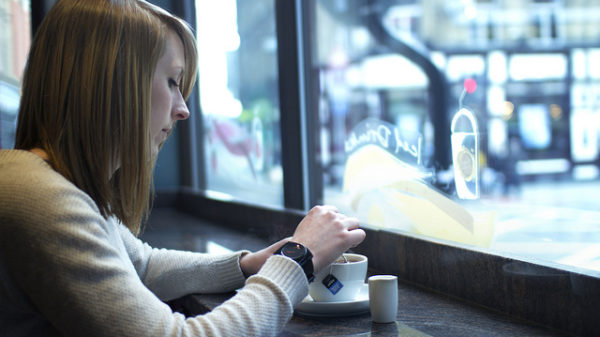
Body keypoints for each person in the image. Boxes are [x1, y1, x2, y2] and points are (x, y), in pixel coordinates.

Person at [0, 0, 366, 336]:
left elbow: (141, 266)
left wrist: (249, 265)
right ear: (115, 83)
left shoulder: (52, 184)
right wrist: (298, 259)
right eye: (172, 82)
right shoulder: (41, 200)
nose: (183, 109)